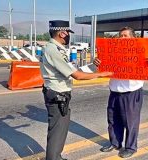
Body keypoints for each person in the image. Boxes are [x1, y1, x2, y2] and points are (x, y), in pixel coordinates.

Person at [40, 20, 112, 160]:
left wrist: (93, 67)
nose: (68, 36)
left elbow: (74, 70)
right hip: (57, 95)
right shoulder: (53, 50)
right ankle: (53, 158)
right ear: (62, 33)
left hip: (58, 93)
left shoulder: (55, 48)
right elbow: (77, 75)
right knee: (57, 130)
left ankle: (56, 156)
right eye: (68, 33)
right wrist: (100, 74)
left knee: (60, 129)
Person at [94, 26, 148, 158]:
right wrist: (98, 62)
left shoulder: (141, 51)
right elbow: (103, 67)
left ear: (133, 38)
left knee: (131, 122)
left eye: (125, 36)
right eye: (120, 36)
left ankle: (131, 147)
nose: (122, 38)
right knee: (113, 120)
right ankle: (115, 143)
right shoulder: (112, 51)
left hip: (131, 92)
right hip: (114, 91)